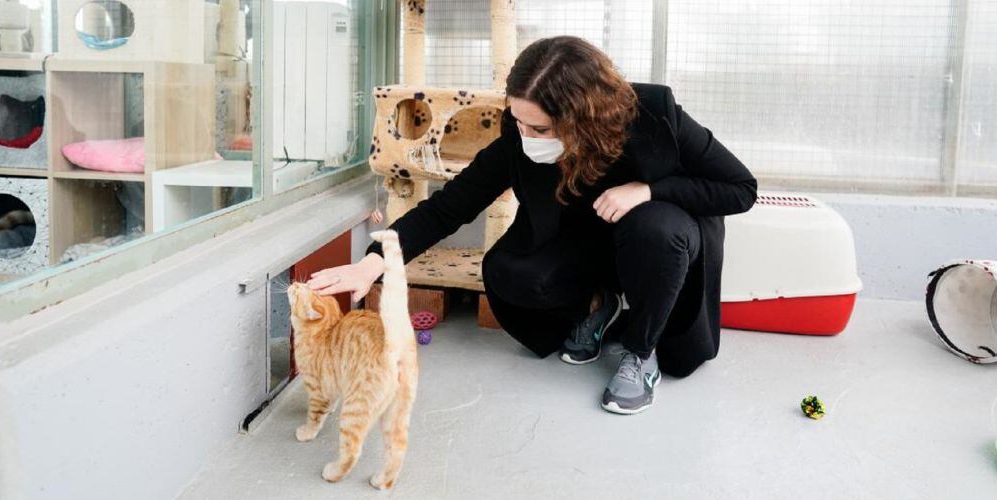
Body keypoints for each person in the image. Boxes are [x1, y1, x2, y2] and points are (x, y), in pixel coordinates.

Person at [309, 36, 757, 415]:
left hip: (654, 244)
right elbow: (448, 207)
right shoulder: (519, 131)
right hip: (584, 246)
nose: (526, 136)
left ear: (586, 116)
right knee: (508, 272)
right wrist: (373, 263)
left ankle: (642, 352)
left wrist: (649, 191)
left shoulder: (656, 113)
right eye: (518, 121)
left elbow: (740, 188)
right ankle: (598, 304)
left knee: (655, 228)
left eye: (540, 129)